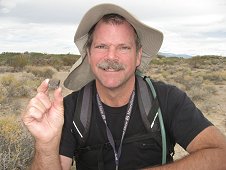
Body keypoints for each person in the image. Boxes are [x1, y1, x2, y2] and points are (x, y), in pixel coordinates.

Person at [22, 3, 226, 170]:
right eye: (102, 46)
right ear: (89, 54)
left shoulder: (167, 99)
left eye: (123, 47)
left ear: (138, 56)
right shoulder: (70, 109)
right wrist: (46, 144)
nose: (111, 57)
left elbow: (221, 156)